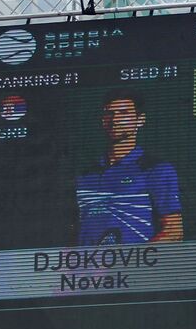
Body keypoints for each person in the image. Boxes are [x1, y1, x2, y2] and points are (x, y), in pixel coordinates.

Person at [75, 91, 182, 246]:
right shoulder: (85, 176)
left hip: (133, 268)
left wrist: (132, 262)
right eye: (109, 113)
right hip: (88, 268)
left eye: (124, 113)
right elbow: (74, 231)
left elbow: (174, 232)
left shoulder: (157, 170)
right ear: (103, 120)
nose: (115, 119)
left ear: (140, 120)